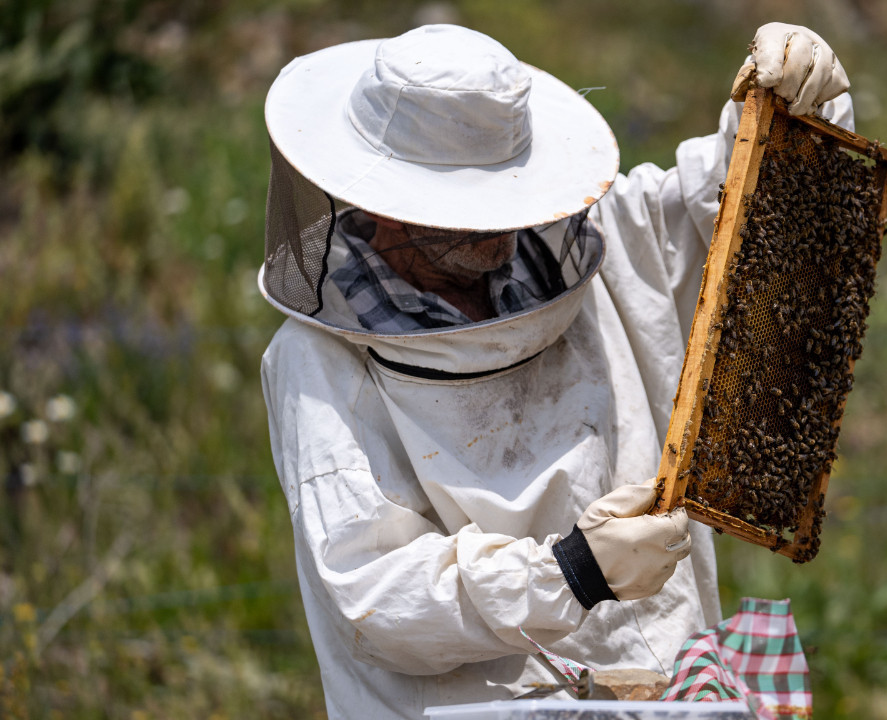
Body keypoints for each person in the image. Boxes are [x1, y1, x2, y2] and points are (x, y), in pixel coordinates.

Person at [258, 21, 853, 718]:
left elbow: (741, 200)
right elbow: (380, 595)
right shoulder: (317, 363)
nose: (498, 226)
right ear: (382, 209)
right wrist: (570, 571)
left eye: (502, 195)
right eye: (461, 209)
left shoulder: (609, 251)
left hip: (671, 689)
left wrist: (799, 105)